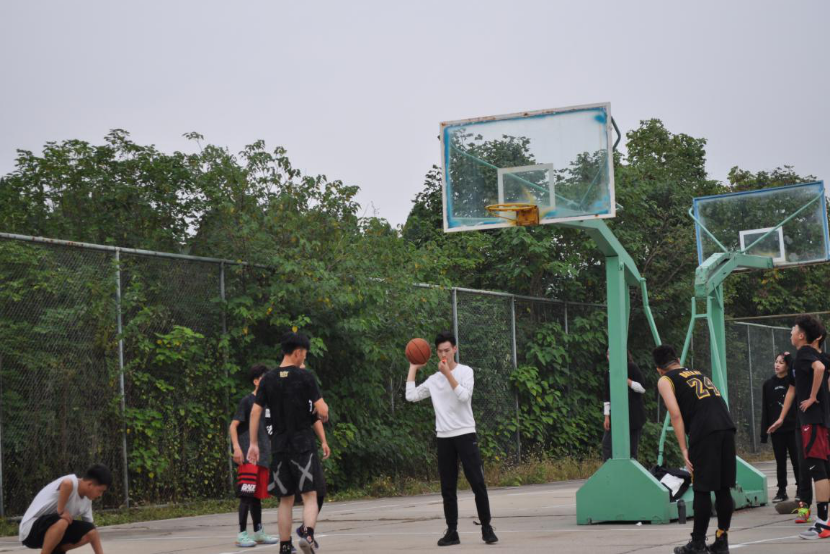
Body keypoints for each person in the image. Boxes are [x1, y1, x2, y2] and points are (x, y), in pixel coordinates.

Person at [405, 331, 498, 547]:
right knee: (448, 487)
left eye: (447, 350)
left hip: (465, 433)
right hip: (444, 437)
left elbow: (464, 396)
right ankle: (452, 532)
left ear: (455, 349)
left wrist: (448, 374)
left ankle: (486, 527)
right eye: (440, 351)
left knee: (477, 482)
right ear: (436, 353)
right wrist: (413, 367)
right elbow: (411, 396)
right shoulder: (434, 380)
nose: (443, 354)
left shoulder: (466, 372)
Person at [248, 332, 329, 554]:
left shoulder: (268, 379)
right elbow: (322, 409)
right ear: (297, 352)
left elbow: (255, 412)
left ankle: (285, 546)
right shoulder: (306, 377)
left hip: (279, 445)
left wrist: (253, 443)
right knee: (310, 496)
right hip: (303, 444)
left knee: (285, 499)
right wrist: (322, 412)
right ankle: (308, 535)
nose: (305, 357)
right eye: (304, 354)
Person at [653, 344, 735, 554]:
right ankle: (721, 540)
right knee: (723, 487)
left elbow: (675, 414)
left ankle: (697, 543)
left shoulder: (665, 379)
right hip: (726, 426)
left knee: (701, 487)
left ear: (659, 369)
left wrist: (683, 449)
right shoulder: (697, 372)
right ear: (678, 360)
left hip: (705, 431)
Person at [769, 316, 830, 537]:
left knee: (817, 470)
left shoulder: (805, 353)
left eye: (793, 329)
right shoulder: (813, 355)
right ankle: (824, 521)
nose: (791, 333)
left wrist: (812, 397)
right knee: (823, 469)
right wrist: (782, 417)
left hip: (812, 420)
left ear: (802, 335)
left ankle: (823, 524)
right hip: (820, 420)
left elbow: (819, 368)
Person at [230, 364, 278, 547]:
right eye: (265, 378)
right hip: (248, 456)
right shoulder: (248, 401)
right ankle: (242, 534)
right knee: (246, 495)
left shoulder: (270, 404)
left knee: (257, 497)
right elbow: (233, 425)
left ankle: (258, 532)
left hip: (263, 457)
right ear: (256, 381)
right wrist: (236, 447)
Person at [19, 464, 112, 554]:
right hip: (30, 530)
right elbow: (66, 483)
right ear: (90, 484)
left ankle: (57, 551)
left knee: (91, 531)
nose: (100, 495)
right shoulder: (72, 482)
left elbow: (92, 531)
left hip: (53, 532)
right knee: (63, 521)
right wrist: (61, 510)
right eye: (100, 491)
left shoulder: (87, 500)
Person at [760, 353, 799, 503]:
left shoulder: (792, 381)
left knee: (796, 460)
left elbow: (795, 367)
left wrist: (789, 358)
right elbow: (765, 409)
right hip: (776, 430)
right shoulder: (768, 384)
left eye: (781, 362)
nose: (777, 365)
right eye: (776, 361)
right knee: (780, 462)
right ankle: (782, 491)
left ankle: (800, 489)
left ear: (787, 365)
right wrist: (764, 432)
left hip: (792, 427)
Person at [601, 349, 647, 461]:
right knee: (607, 444)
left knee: (631, 449)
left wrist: (626, 380)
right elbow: (607, 396)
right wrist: (607, 416)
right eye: (608, 354)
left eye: (612, 354)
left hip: (633, 415)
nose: (610, 356)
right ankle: (610, 469)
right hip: (615, 415)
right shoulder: (608, 372)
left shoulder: (631, 367)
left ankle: (630, 469)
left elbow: (642, 388)